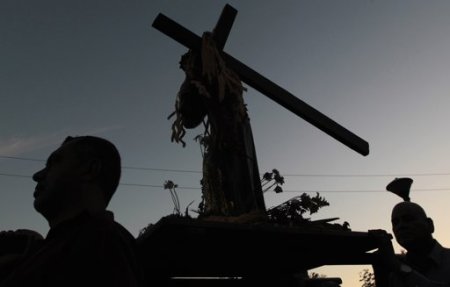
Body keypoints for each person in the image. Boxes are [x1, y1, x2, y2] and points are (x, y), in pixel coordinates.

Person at [0, 136, 143, 287]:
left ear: (89, 170)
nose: (37, 175)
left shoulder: (99, 243)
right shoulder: (51, 249)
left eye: (53, 163)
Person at [372, 201, 450, 287]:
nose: (401, 226)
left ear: (429, 224)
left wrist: (398, 266)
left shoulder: (398, 267)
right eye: (395, 223)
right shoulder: (394, 273)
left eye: (408, 219)